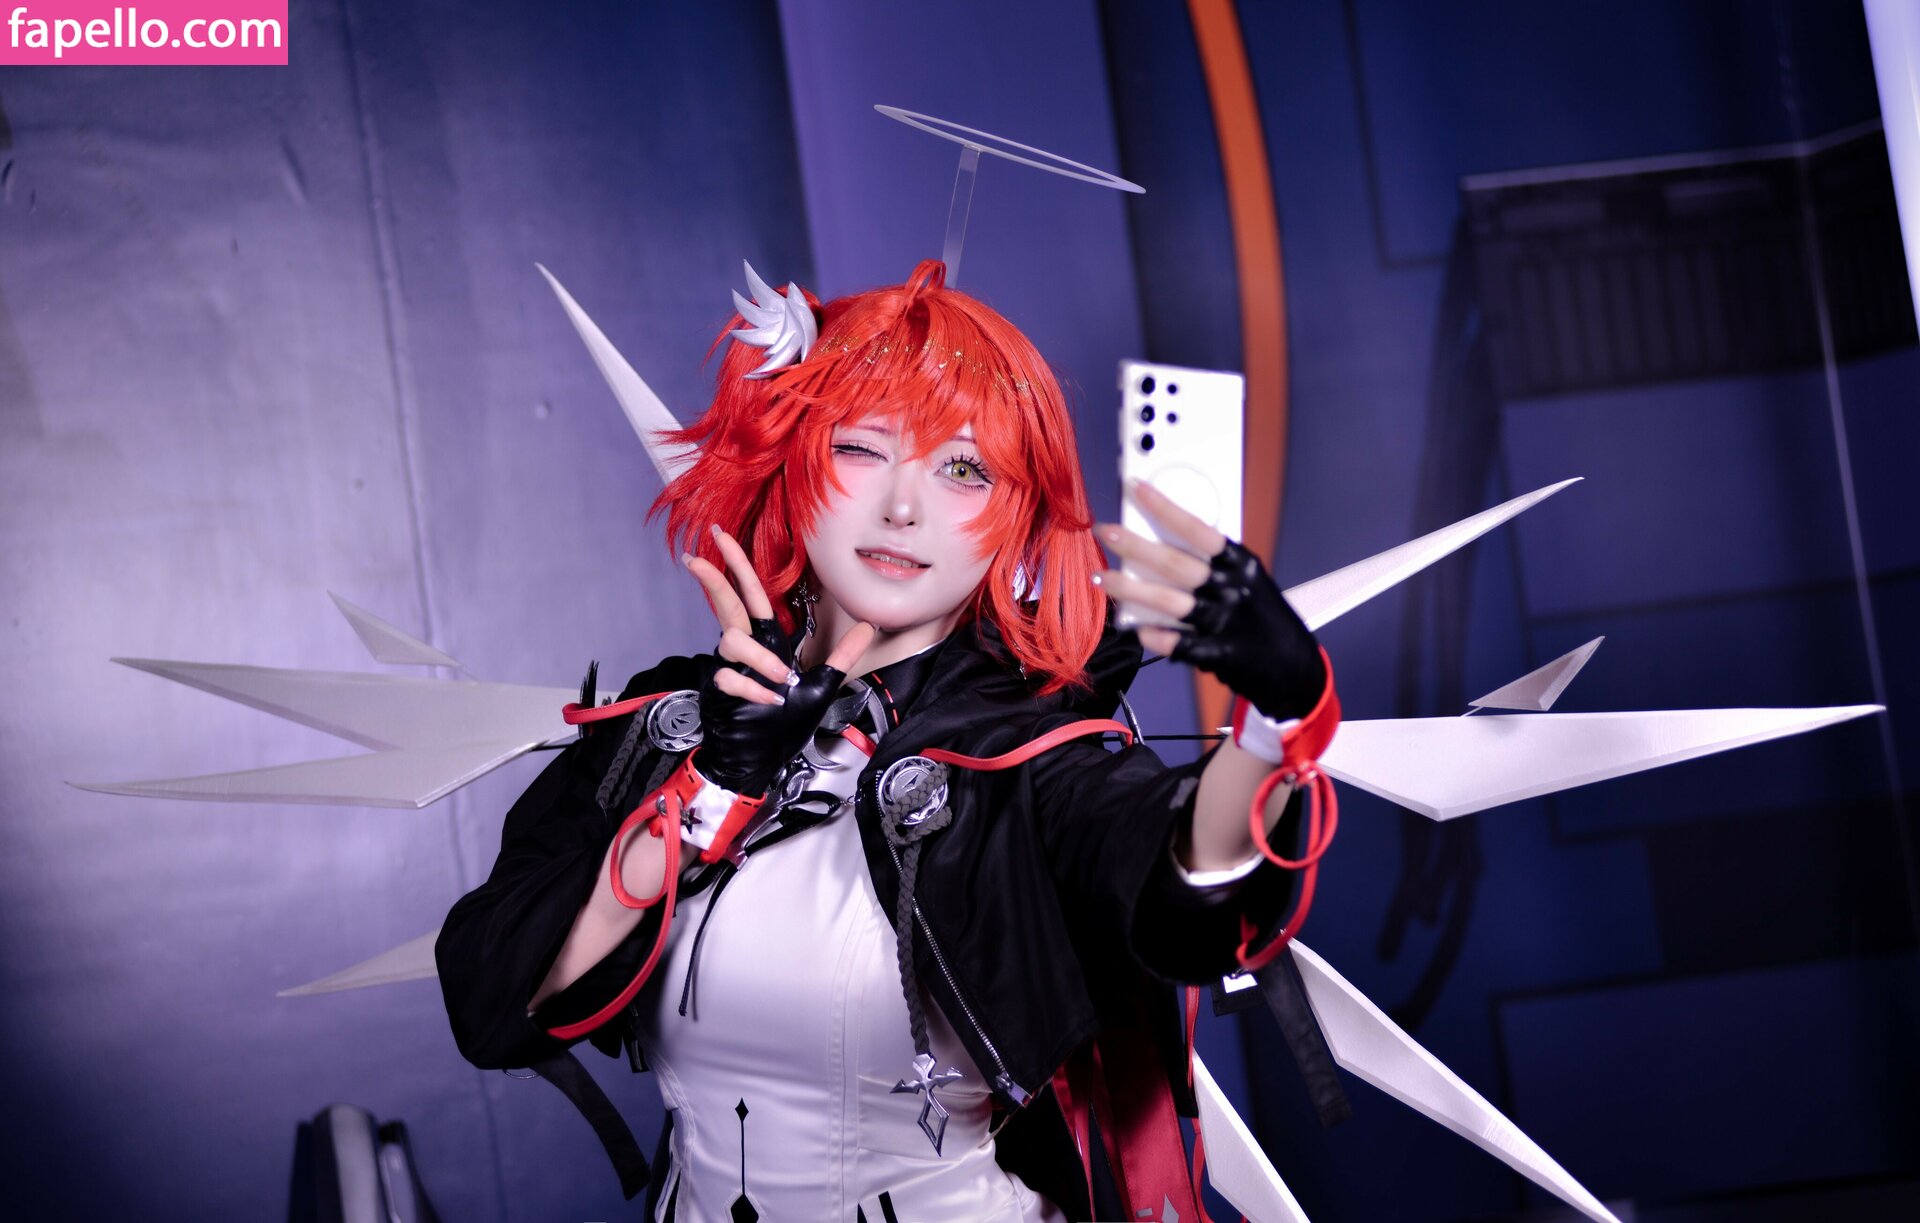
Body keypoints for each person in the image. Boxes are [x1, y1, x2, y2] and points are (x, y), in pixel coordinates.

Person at [435, 259, 1339, 1222]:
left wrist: (1276, 720)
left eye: (964, 469)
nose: (904, 507)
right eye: (863, 447)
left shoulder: (1029, 756)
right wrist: (709, 794)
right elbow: (492, 1007)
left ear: (1015, 514)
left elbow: (1186, 901)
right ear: (792, 460)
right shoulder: (674, 722)